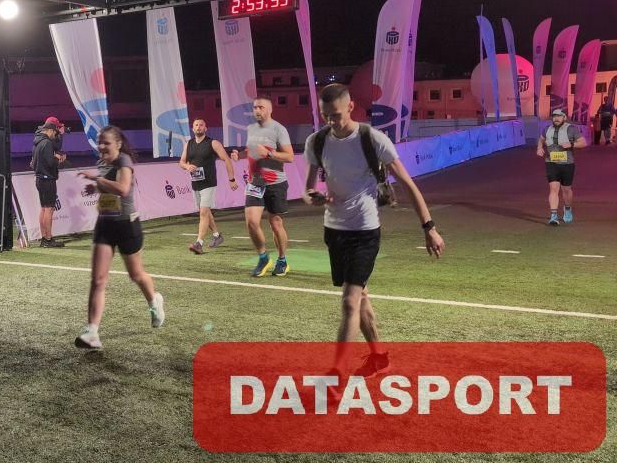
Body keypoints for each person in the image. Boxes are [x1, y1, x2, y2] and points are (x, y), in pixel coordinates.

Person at [303, 84, 444, 383]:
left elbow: (408, 183)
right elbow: (307, 188)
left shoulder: (372, 139)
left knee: (349, 301)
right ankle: (380, 357)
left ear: (351, 106)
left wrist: (429, 227)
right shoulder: (317, 141)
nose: (331, 121)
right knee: (361, 296)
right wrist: (313, 197)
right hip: (334, 231)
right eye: (325, 115)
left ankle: (337, 373)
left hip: (365, 231)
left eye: (336, 115)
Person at [74, 126, 164, 350]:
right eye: (99, 142)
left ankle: (154, 301)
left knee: (136, 275)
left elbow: (123, 189)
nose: (101, 146)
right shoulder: (101, 162)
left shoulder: (124, 161)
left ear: (118, 144)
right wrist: (95, 188)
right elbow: (107, 188)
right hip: (105, 224)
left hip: (126, 225)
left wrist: (97, 180)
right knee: (98, 280)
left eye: (106, 142)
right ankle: (92, 332)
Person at [230, 97, 294, 277]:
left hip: (275, 183)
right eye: (255, 107)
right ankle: (263, 257)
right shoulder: (251, 129)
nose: (257, 110)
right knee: (251, 222)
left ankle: (282, 260)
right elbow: (251, 150)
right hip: (255, 182)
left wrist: (270, 153)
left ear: (269, 110)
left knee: (275, 223)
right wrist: (239, 155)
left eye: (261, 107)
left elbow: (289, 157)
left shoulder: (279, 129)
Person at [179, 118, 238, 254]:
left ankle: (199, 244)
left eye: (201, 125)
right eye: (196, 125)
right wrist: (187, 166)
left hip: (209, 184)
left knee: (203, 212)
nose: (198, 127)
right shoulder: (188, 144)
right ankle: (217, 236)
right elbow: (181, 162)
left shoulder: (213, 143)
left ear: (206, 128)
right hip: (196, 184)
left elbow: (227, 159)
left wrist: (232, 179)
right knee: (205, 212)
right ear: (193, 128)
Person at [537, 108, 586, 225]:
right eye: (554, 116)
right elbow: (541, 139)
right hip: (551, 162)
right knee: (553, 188)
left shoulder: (571, 129)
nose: (556, 118)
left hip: (567, 164)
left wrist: (571, 144)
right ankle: (553, 216)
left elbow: (583, 142)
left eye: (559, 116)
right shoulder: (547, 129)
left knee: (566, 190)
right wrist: (539, 148)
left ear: (564, 117)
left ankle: (567, 209)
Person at [32, 120, 65, 248]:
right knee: (49, 209)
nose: (55, 135)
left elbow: (33, 163)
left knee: (44, 208)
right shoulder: (47, 143)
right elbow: (51, 163)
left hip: (40, 179)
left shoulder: (37, 142)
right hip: (47, 179)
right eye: (55, 132)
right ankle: (48, 239)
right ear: (50, 130)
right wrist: (59, 159)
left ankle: (44, 238)